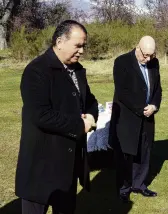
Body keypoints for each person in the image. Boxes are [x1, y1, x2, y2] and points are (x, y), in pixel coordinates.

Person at [15, 20, 98, 214]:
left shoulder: (78, 70)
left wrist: (92, 117)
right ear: (60, 42)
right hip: (41, 166)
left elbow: (91, 100)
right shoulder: (36, 71)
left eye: (84, 46)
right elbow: (40, 115)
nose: (82, 51)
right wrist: (80, 125)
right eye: (78, 45)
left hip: (68, 166)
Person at [109, 36, 162, 202]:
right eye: (145, 55)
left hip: (148, 116)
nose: (148, 59)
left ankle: (139, 184)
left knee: (144, 152)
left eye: (151, 55)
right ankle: (124, 188)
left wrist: (154, 105)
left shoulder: (154, 63)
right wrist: (141, 109)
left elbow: (158, 88)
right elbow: (123, 92)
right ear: (137, 48)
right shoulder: (122, 62)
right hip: (127, 117)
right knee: (126, 154)